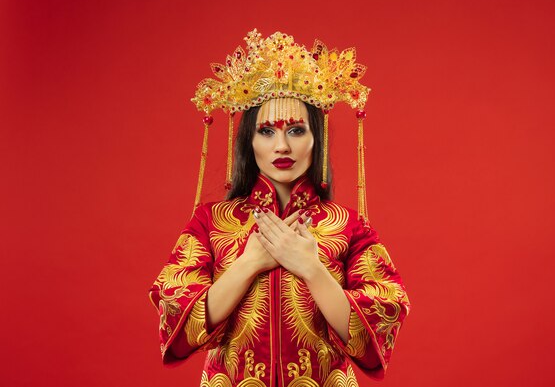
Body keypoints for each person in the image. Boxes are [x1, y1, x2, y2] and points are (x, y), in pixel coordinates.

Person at [148, 30, 411, 387]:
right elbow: (180, 328)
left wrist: (311, 268)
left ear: (317, 139)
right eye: (267, 132)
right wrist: (249, 262)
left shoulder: (347, 227)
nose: (282, 146)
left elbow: (378, 328)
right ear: (248, 141)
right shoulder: (212, 222)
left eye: (297, 131)